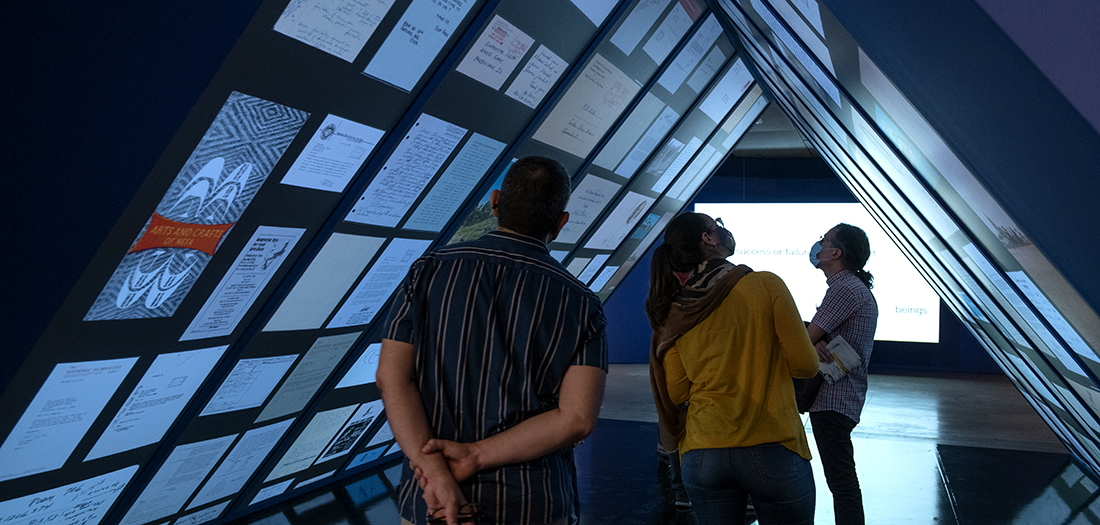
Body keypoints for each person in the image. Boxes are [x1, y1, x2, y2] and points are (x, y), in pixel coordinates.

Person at [377, 156, 608, 525]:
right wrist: (475, 455)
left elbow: (392, 378)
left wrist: (436, 473)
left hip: (433, 502)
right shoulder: (581, 303)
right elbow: (577, 419)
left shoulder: (429, 270)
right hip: (532, 503)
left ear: (495, 201)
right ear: (561, 222)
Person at [646, 212, 819, 524]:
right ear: (708, 239)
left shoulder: (677, 309)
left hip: (702, 453)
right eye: (716, 227)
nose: (722, 231)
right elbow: (806, 366)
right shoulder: (766, 284)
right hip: (772, 445)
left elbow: (678, 391)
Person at [805, 223, 879, 525]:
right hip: (841, 399)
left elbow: (805, 338)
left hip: (833, 399)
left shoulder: (844, 289)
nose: (818, 245)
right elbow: (814, 337)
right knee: (842, 481)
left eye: (824, 241)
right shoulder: (852, 287)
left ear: (836, 253)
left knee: (842, 483)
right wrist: (815, 341)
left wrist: (812, 340)